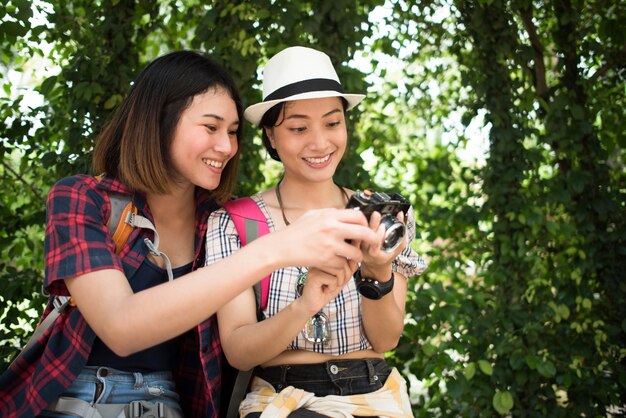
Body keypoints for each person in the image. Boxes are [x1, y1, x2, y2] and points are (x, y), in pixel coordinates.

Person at [0, 50, 382, 418]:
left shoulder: (219, 222)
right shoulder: (82, 197)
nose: (226, 147)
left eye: (232, 132)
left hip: (172, 403)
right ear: (160, 121)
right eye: (211, 127)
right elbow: (121, 327)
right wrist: (277, 248)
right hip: (81, 394)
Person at [205, 46, 427, 417]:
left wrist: (377, 272)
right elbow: (239, 350)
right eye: (298, 128)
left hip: (374, 397)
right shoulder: (236, 223)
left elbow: (386, 340)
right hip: (282, 399)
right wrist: (305, 304)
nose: (320, 142)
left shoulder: (383, 214)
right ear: (271, 137)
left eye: (332, 122)